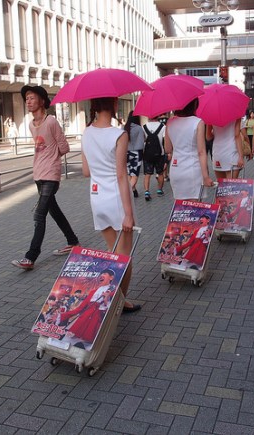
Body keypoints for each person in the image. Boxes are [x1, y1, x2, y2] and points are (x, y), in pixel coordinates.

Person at [81, 96, 141, 313]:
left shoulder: (86, 132)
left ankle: (108, 298)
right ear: (115, 104)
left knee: (110, 250)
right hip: (116, 199)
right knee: (124, 257)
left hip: (96, 197)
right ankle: (118, 302)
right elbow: (121, 175)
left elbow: (86, 171)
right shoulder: (119, 134)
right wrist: (128, 213)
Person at [12, 85, 80, 270]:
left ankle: (30, 257)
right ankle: (73, 241)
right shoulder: (31, 124)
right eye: (26, 98)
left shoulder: (51, 121)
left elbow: (64, 147)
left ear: (42, 101)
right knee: (53, 211)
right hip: (38, 173)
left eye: (32, 98)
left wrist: (51, 156)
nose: (28, 101)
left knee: (39, 214)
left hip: (51, 173)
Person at [164, 98, 214, 200]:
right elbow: (201, 152)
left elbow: (167, 148)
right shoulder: (198, 122)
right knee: (195, 210)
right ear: (194, 105)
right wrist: (206, 176)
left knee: (181, 210)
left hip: (176, 169)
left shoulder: (170, 122)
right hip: (193, 170)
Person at [57, 270, 117, 345]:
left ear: (111, 277)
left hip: (96, 321)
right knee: (67, 341)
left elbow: (110, 309)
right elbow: (80, 308)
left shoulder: (114, 291)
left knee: (90, 344)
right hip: (83, 320)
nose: (101, 275)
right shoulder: (93, 292)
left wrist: (105, 302)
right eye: (101, 274)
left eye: (104, 274)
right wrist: (61, 316)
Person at [142, 116, 167, 201]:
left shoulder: (144, 126)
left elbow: (144, 140)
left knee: (147, 174)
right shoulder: (163, 126)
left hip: (147, 153)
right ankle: (159, 190)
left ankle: (146, 191)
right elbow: (165, 140)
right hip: (160, 153)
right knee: (160, 173)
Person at [123, 111, 144, 199]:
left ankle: (133, 190)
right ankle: (127, 192)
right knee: (135, 174)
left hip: (126, 153)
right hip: (136, 153)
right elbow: (141, 142)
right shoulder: (139, 128)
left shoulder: (124, 128)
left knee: (129, 173)